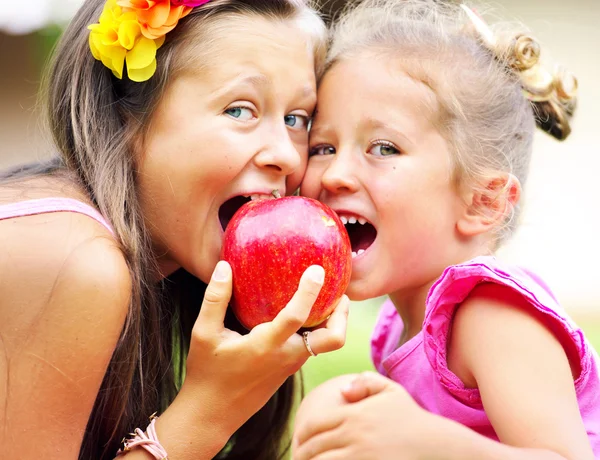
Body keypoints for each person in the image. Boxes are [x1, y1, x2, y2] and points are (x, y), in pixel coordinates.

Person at [0, 0, 350, 459]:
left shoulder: (150, 270)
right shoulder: (73, 259)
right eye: (240, 110)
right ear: (126, 118)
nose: (285, 155)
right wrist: (212, 408)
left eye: (295, 119)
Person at [294, 0, 599, 458]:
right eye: (323, 147)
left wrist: (420, 441)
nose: (335, 174)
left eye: (383, 147)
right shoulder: (402, 322)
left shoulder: (491, 315)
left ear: (483, 202)